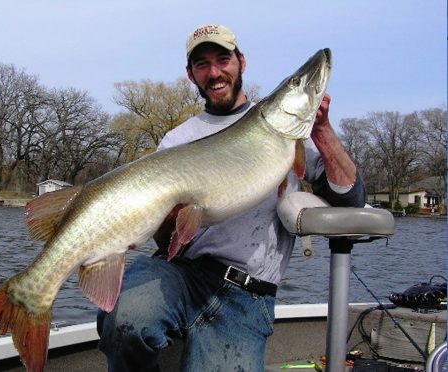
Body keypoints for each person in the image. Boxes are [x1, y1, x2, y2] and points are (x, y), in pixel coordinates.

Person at [97, 24, 366, 371]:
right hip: (179, 275)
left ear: (241, 62)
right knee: (125, 320)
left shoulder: (287, 131)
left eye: (223, 59)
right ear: (191, 74)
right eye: (202, 64)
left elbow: (350, 199)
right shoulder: (177, 140)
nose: (214, 72)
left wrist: (322, 130)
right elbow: (167, 242)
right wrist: (159, 223)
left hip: (247, 295)